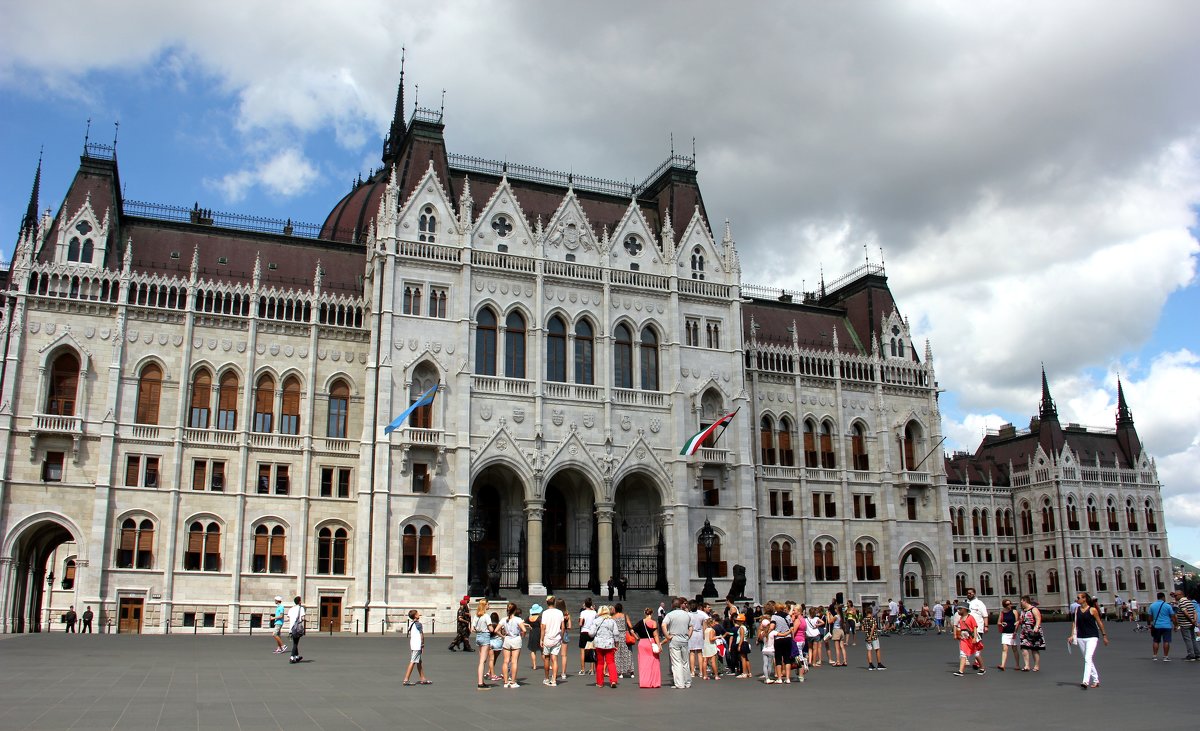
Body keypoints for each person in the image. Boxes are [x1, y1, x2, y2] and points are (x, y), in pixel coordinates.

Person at [1069, 593, 1108, 689]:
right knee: (1088, 659)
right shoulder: (1077, 610)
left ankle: (1085, 681)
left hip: (1092, 637)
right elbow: (1074, 623)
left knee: (1087, 658)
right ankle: (1096, 680)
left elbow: (1099, 623)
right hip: (1081, 637)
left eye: (1078, 598)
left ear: (1084, 599)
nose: (1077, 599)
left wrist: (1104, 635)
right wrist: (1072, 635)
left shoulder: (1092, 610)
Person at [662, 597, 693, 688]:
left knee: (676, 662)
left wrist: (667, 636)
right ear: (680, 605)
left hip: (674, 638)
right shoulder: (686, 614)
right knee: (685, 662)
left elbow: (664, 625)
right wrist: (688, 636)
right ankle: (687, 682)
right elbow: (691, 627)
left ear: (672, 605)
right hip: (684, 639)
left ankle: (680, 683)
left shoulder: (670, 615)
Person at [592, 605, 620, 688]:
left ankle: (600, 682)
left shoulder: (596, 621)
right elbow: (616, 633)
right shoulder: (612, 621)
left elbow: (591, 633)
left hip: (599, 644)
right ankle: (613, 680)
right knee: (611, 662)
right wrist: (616, 643)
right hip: (609, 644)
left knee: (600, 663)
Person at [539, 597, 565, 687]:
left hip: (547, 637)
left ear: (547, 603)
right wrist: (561, 636)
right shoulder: (559, 612)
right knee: (555, 659)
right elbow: (563, 626)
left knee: (547, 658)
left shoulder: (545, 613)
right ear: (554, 603)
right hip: (556, 637)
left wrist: (541, 639)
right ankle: (554, 680)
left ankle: (546, 678)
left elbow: (543, 627)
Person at [953, 605, 985, 677]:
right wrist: (957, 634)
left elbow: (975, 627)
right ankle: (960, 671)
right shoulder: (961, 618)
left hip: (971, 638)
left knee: (976, 654)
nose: (958, 610)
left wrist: (975, 638)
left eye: (960, 609)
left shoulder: (970, 617)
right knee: (963, 654)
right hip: (964, 639)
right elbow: (959, 627)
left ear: (965, 609)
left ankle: (982, 668)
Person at [402, 609, 432, 686]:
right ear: (415, 615)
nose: (419, 614)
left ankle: (423, 678)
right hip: (417, 645)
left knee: (419, 661)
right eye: (417, 613)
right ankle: (406, 679)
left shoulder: (411, 623)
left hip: (413, 644)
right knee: (413, 661)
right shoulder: (418, 624)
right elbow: (421, 635)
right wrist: (422, 644)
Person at [634, 607, 661, 688]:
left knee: (643, 663)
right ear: (651, 613)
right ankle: (654, 682)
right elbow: (655, 634)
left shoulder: (640, 622)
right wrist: (658, 644)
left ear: (645, 613)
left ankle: (644, 682)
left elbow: (632, 630)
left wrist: (637, 638)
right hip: (650, 643)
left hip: (642, 643)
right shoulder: (653, 622)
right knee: (654, 662)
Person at [500, 603, 525, 689]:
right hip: (515, 639)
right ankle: (513, 681)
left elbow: (496, 630)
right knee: (514, 661)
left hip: (507, 639)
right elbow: (524, 629)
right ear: (515, 610)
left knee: (506, 661)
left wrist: (503, 635)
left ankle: (506, 682)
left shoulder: (504, 619)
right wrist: (522, 635)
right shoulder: (518, 619)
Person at [1017, 595, 1044, 671]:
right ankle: (1027, 665)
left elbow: (1038, 618)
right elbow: (1021, 619)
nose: (1021, 603)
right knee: (1024, 648)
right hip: (1024, 631)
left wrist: (1036, 627)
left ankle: (1036, 666)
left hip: (1033, 631)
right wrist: (1018, 622)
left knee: (1034, 649)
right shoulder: (1023, 610)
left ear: (1025, 601)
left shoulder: (1034, 609)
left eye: (1021, 601)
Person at [1147, 591, 1176, 660]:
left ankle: (1154, 656)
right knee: (1166, 641)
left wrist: (1149, 624)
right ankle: (1165, 656)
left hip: (1157, 625)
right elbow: (1173, 617)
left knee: (1156, 641)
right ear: (1163, 597)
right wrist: (1175, 625)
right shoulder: (1168, 606)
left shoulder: (1152, 605)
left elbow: (1149, 617)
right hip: (1167, 626)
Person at [473, 599, 493, 689]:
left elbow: (472, 629)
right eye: (488, 604)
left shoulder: (476, 616)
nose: (489, 606)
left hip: (478, 636)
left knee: (482, 660)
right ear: (485, 605)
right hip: (485, 636)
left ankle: (481, 681)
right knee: (482, 661)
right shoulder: (486, 616)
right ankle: (480, 682)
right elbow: (491, 629)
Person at [1172, 590, 1198, 661]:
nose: (1175, 597)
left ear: (1181, 595)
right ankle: (1197, 654)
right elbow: (1194, 612)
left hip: (1185, 623)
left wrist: (1191, 620)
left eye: (1176, 595)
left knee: (1188, 639)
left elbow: (1185, 613)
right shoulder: (1189, 601)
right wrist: (1194, 620)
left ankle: (1191, 655)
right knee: (1193, 638)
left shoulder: (1181, 602)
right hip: (1191, 624)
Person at [612, 603, 634, 679]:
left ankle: (620, 672)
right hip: (624, 635)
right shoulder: (625, 616)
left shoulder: (613, 617)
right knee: (628, 653)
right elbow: (630, 626)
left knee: (618, 654)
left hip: (616, 636)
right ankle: (631, 672)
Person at [996, 599, 1018, 670]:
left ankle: (1017, 665)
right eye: (1007, 604)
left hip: (1012, 632)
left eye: (1010, 603)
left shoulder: (1014, 611)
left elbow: (1017, 623)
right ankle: (1002, 665)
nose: (1009, 605)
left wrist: (1015, 632)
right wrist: (1001, 623)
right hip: (1005, 632)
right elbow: (998, 622)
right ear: (1004, 605)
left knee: (1014, 649)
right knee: (1004, 649)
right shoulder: (1002, 612)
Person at [862, 605, 885, 670]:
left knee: (869, 650)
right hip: (874, 636)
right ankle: (879, 664)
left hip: (867, 637)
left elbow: (863, 629)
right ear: (871, 612)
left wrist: (867, 634)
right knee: (877, 649)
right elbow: (873, 628)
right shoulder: (873, 619)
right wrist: (870, 636)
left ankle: (870, 664)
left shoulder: (864, 620)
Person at [578, 598, 597, 676]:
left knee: (583, 650)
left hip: (584, 631)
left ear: (585, 604)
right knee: (592, 650)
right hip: (592, 632)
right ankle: (591, 669)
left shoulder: (583, 612)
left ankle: (583, 669)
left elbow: (580, 623)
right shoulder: (594, 612)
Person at [286, 596, 305, 664]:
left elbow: (288, 618)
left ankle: (297, 656)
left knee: (295, 642)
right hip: (297, 628)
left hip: (291, 628)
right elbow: (302, 618)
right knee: (295, 643)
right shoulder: (301, 608)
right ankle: (292, 657)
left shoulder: (291, 609)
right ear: (299, 601)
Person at [527, 603, 543, 670]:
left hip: (532, 634)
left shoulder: (529, 617)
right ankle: (547, 664)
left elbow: (522, 622)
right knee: (542, 650)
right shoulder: (539, 618)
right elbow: (542, 627)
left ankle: (534, 665)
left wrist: (528, 625)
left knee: (533, 650)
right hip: (539, 633)